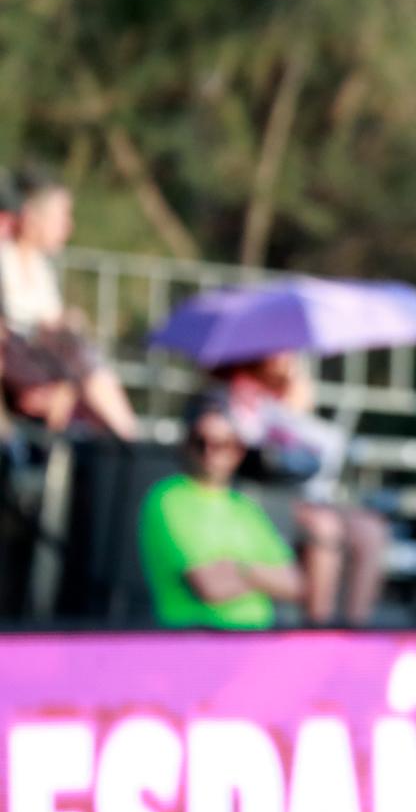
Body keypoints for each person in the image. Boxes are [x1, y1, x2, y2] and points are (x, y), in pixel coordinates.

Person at [211, 352, 389, 625]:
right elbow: (249, 457)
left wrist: (296, 412)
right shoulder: (232, 394)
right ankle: (317, 629)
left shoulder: (288, 393)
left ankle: (355, 631)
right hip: (261, 495)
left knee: (371, 531)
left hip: (309, 496)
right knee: (324, 528)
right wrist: (288, 413)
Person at [138, 393, 304, 629]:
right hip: (196, 641)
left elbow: (294, 584)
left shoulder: (244, 506)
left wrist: (238, 569)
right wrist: (261, 575)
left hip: (254, 647)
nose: (210, 453)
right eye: (201, 442)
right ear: (186, 443)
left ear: (239, 450)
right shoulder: (168, 498)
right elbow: (210, 586)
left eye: (223, 444)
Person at [0, 170, 137, 438]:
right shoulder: (6, 259)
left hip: (48, 368)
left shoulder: (40, 269)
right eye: (61, 217)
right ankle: (127, 438)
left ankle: (122, 440)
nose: (68, 226)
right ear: (31, 218)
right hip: (23, 365)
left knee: (76, 351)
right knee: (76, 351)